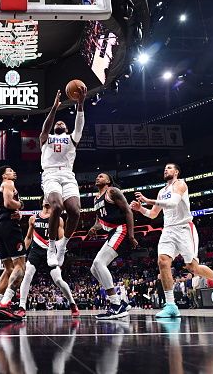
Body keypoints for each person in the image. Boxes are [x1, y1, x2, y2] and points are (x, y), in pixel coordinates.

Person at [131, 163, 213, 318]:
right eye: (165, 168)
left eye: (170, 168)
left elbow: (172, 203)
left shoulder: (180, 184)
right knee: (162, 262)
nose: (166, 170)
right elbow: (153, 215)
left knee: (193, 268)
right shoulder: (161, 191)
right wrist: (141, 209)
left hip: (184, 229)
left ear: (176, 172)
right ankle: (171, 305)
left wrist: (148, 200)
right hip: (168, 230)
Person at [39, 87, 86, 267]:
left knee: (75, 210)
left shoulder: (72, 138)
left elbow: (79, 125)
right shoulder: (46, 138)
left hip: (67, 174)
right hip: (50, 174)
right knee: (57, 206)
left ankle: (63, 245)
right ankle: (51, 246)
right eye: (57, 123)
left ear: (66, 128)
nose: (59, 124)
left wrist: (80, 104)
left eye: (62, 124)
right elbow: (46, 126)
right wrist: (54, 108)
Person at [16, 198, 80, 319]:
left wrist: (61, 256)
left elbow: (61, 240)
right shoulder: (33, 218)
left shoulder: (58, 219)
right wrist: (23, 253)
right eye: (44, 198)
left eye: (48, 198)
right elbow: (28, 237)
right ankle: (22, 307)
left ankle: (72, 304)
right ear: (42, 202)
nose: (46, 200)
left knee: (58, 280)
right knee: (27, 274)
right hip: (36, 250)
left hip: (50, 251)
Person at [86, 173, 138, 319]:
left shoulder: (113, 191)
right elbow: (99, 221)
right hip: (111, 232)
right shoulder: (96, 199)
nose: (97, 178)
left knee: (98, 263)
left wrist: (131, 235)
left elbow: (128, 211)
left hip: (121, 229)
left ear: (108, 181)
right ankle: (121, 302)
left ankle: (116, 305)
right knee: (93, 268)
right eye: (96, 176)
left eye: (101, 176)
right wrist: (94, 228)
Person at [0, 165, 26, 321]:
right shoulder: (8, 183)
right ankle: (5, 304)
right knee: (20, 266)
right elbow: (8, 203)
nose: (14, 172)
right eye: (10, 171)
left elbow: (5, 207)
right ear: (4, 176)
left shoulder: (4, 185)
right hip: (9, 226)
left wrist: (17, 214)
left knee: (8, 268)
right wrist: (20, 205)